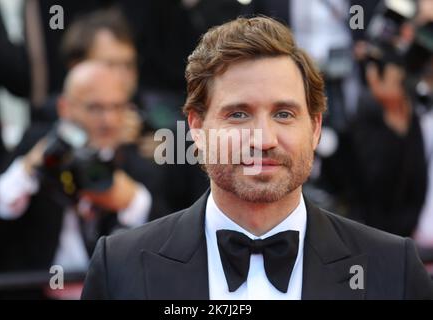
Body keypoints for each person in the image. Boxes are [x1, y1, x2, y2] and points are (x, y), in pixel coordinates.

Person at [81, 16, 433, 300]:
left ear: (314, 128)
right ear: (197, 128)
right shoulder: (120, 268)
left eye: (283, 114)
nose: (263, 140)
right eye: (238, 114)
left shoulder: (393, 270)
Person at [0, 61, 166, 280]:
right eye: (95, 108)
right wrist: (28, 170)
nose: (108, 120)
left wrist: (133, 200)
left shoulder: (140, 161)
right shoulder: (38, 144)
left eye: (117, 107)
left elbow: (166, 245)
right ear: (65, 108)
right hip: (33, 286)